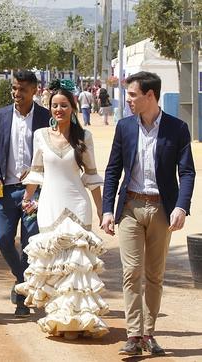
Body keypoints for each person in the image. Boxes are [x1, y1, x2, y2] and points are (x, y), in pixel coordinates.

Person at [100, 71, 195, 356]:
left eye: (132, 95)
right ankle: (133, 334)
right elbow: (113, 170)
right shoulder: (125, 127)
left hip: (162, 209)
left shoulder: (177, 129)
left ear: (149, 96)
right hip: (130, 206)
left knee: (154, 275)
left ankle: (148, 334)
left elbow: (187, 171)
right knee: (131, 272)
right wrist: (107, 209)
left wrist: (181, 205)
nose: (127, 99)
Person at [14, 79, 109, 339]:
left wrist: (102, 211)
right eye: (55, 106)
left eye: (64, 105)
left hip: (78, 205)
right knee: (55, 265)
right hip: (49, 206)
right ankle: (59, 318)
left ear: (73, 107)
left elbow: (92, 177)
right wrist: (27, 197)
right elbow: (36, 171)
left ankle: (78, 321)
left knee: (76, 267)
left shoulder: (84, 137)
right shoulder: (41, 136)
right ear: (50, 108)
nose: (59, 110)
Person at [0, 70, 51, 318]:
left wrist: (37, 170)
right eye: (14, 88)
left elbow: (52, 152)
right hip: (5, 191)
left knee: (29, 244)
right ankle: (21, 279)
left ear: (34, 90)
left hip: (34, 194)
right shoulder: (1, 116)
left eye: (22, 89)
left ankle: (21, 300)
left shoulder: (46, 118)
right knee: (3, 239)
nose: (16, 93)